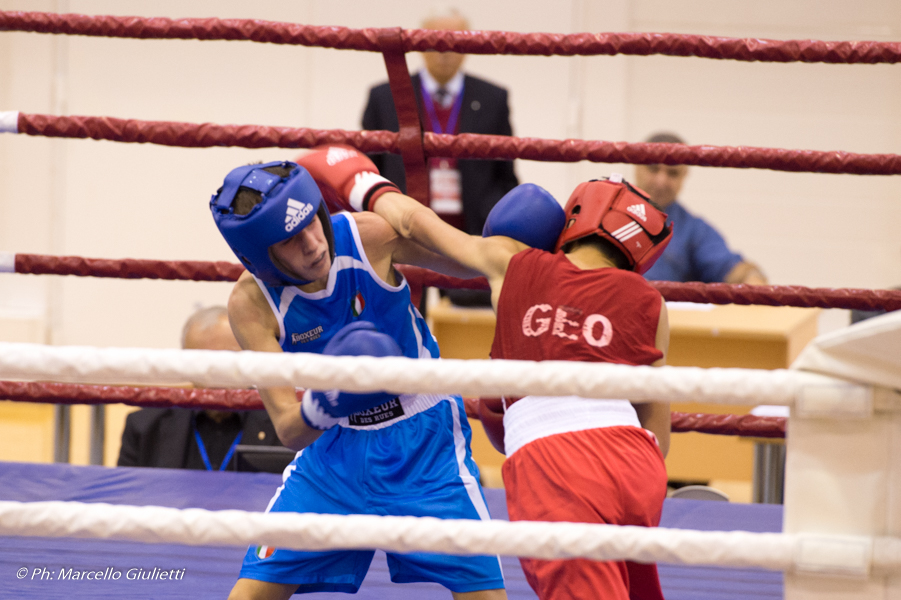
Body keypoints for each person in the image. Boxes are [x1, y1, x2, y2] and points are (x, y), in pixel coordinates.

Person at [301, 145, 673, 600]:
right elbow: (657, 413)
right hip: (635, 460)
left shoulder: (516, 262)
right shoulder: (651, 303)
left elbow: (416, 224)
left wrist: (360, 183)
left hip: (558, 461)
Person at [209, 154, 506, 600]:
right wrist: (331, 399)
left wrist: (387, 202)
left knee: (485, 593)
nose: (312, 243)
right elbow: (290, 428)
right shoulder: (252, 304)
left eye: (313, 221)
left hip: (425, 443)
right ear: (258, 258)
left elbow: (475, 261)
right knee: (249, 594)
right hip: (333, 454)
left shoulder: (367, 237)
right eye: (290, 240)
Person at [361, 8, 519, 306]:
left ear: (469, 47)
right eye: (436, 41)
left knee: (466, 329)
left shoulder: (493, 98)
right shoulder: (386, 96)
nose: (445, 50)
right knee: (399, 314)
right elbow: (369, 168)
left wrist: (498, 230)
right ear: (419, 44)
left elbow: (505, 174)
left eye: (454, 41)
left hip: (471, 233)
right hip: (402, 231)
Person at [117, 305, 281, 470]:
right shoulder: (145, 427)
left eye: (229, 360)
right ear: (184, 366)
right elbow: (127, 495)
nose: (219, 375)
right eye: (204, 363)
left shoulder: (283, 425)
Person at [635, 132, 768, 285]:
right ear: (637, 167)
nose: (661, 181)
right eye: (653, 169)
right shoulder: (607, 210)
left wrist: (752, 278)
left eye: (673, 173)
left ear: (684, 176)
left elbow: (728, 267)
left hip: (661, 307)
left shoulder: (693, 230)